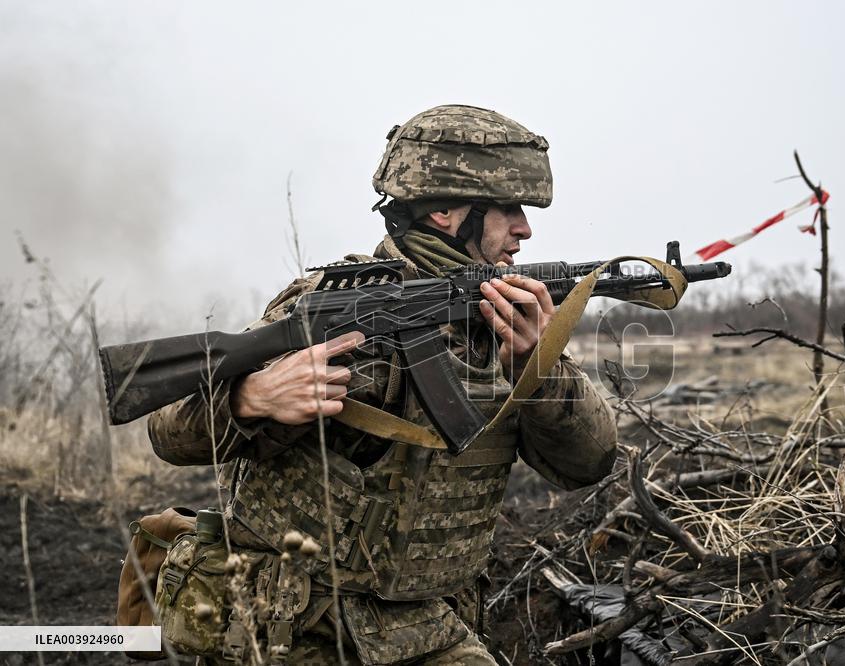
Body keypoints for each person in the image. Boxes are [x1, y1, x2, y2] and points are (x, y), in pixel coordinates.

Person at [148, 104, 618, 664]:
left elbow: (589, 464)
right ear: (447, 212)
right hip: (293, 630)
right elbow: (168, 430)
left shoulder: (509, 321)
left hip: (432, 628)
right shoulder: (327, 303)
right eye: (509, 210)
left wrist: (537, 367)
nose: (525, 229)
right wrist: (250, 400)